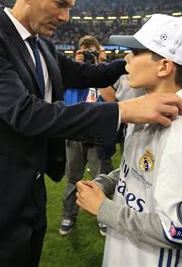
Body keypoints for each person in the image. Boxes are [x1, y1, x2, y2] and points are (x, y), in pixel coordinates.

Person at [0, 0, 182, 267]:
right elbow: (27, 114)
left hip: (30, 190)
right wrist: (123, 111)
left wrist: (140, 59)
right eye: (60, 4)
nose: (66, 17)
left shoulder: (41, 45)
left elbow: (89, 74)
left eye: (69, 6)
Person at [76, 14, 182, 267]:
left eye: (135, 52)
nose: (126, 58)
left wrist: (103, 209)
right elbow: (140, 169)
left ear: (164, 66)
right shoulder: (149, 107)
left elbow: (179, 231)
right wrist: (106, 182)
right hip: (129, 250)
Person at [59, 36, 115, 236]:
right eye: (85, 52)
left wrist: (98, 71)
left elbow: (112, 99)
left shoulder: (107, 73)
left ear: (99, 52)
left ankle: (104, 217)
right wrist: (76, 66)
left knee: (101, 179)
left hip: (98, 135)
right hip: (74, 134)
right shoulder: (71, 73)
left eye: (92, 52)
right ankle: (68, 215)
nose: (88, 56)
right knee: (73, 178)